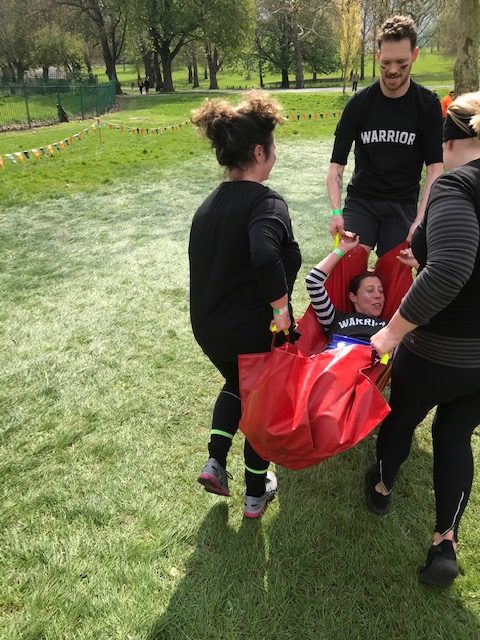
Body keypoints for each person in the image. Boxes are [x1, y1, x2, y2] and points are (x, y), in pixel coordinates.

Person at [366, 91, 480, 587]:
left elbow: (454, 267)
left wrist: (390, 333)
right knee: (455, 437)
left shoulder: (456, 185)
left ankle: (382, 485)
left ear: (447, 138)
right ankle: (444, 541)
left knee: (402, 419)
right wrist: (427, 262)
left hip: (436, 351)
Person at [189, 92, 302, 519]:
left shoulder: (207, 206)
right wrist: (280, 309)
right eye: (273, 146)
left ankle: (216, 459)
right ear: (259, 152)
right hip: (250, 328)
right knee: (261, 399)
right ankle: (256, 494)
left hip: (208, 328)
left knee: (238, 384)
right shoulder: (266, 202)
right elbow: (261, 254)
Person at [327, 15, 443, 258]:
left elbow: (435, 169)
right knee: (348, 266)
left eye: (401, 63)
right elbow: (336, 166)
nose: (392, 70)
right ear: (378, 57)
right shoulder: (358, 104)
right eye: (386, 62)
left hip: (403, 205)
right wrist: (337, 213)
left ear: (415, 55)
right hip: (362, 201)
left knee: (396, 276)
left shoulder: (428, 104)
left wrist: (421, 220)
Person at [306, 231, 386, 343]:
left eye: (381, 291)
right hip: (338, 358)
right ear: (353, 297)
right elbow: (313, 281)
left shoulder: (389, 327)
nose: (378, 296)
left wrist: (418, 266)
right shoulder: (333, 319)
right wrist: (342, 248)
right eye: (370, 290)